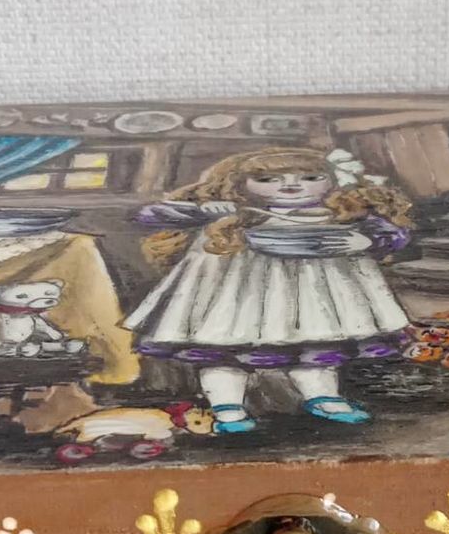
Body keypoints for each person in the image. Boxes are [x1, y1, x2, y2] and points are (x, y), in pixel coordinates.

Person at [125, 147, 414, 433]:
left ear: (335, 180)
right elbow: (149, 215)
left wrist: (367, 240)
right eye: (268, 180)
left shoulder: (341, 214)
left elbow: (393, 233)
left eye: (310, 178)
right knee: (222, 351)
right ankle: (227, 407)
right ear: (240, 184)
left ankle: (324, 398)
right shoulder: (240, 213)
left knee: (317, 347)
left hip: (317, 298)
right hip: (238, 297)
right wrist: (204, 210)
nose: (291, 185)